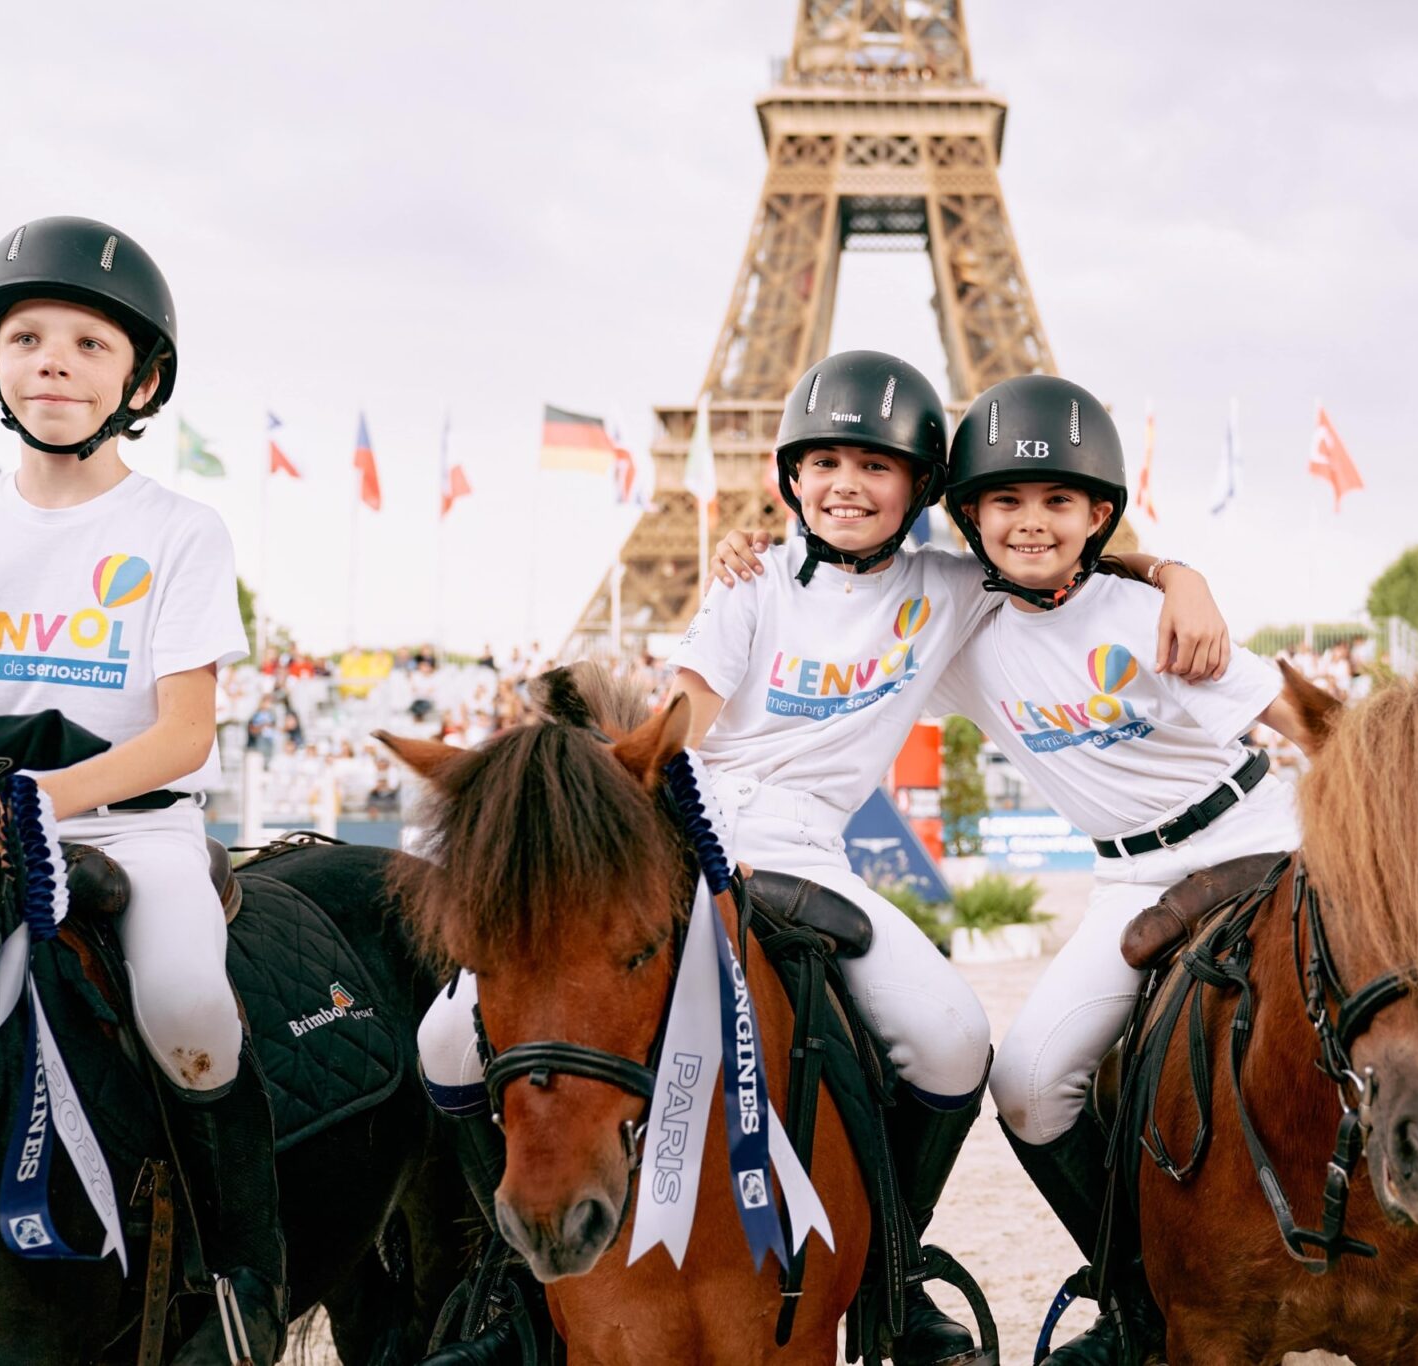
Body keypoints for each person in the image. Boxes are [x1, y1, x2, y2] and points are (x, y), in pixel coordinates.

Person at [416, 350, 1229, 1365]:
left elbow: (1056, 562)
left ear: (924, 488)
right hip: (688, 834)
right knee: (446, 1040)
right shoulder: (749, 581)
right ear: (790, 478)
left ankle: (895, 1269)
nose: (847, 483)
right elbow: (691, 711)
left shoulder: (953, 587)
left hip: (808, 851)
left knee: (950, 1041)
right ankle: (503, 1286)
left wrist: (1174, 573)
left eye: (875, 466)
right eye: (825, 463)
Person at [931, 375, 1418, 1364]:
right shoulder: (956, 627)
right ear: (967, 516)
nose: (1031, 523)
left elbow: (1306, 722)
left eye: (1058, 502)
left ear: (1097, 513)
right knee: (1029, 1082)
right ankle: (1134, 1286)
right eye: (1004, 501)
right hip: (1127, 878)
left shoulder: (1156, 619)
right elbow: (854, 582)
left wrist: (1178, 577)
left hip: (1254, 839)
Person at [0, 217, 283, 1364]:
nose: (52, 361)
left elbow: (178, 736)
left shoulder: (180, 530)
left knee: (188, 1011)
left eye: (87, 343)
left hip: (130, 822)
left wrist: (38, 801)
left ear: (141, 379)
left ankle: (238, 1274)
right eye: (25, 336)